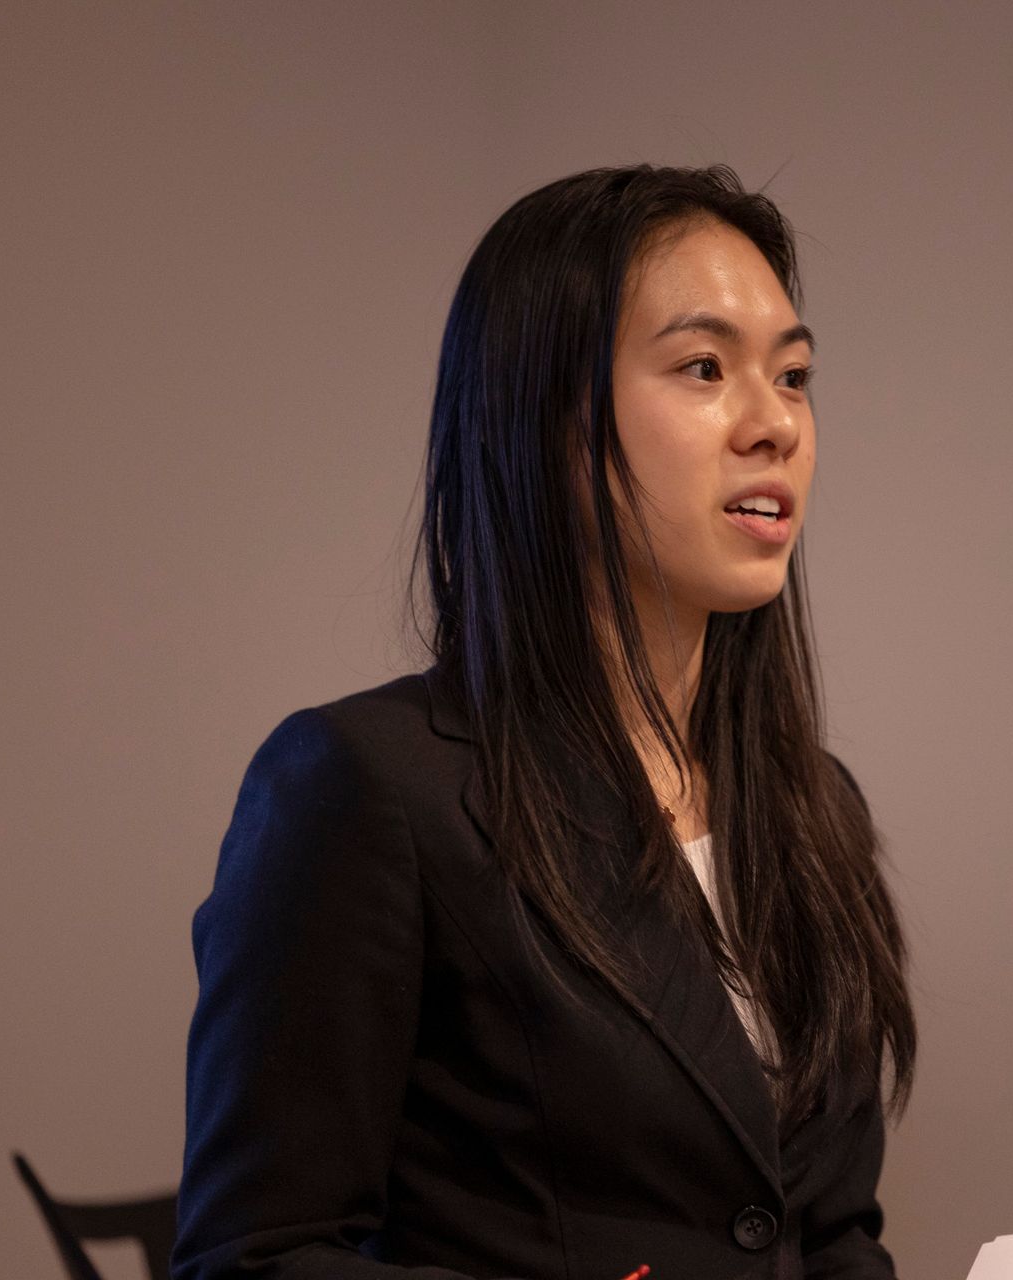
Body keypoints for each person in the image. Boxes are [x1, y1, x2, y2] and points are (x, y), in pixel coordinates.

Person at [171, 164, 917, 1280]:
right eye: (705, 367)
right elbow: (255, 1257)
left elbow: (835, 1236)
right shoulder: (366, 786)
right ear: (547, 416)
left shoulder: (818, 808)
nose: (775, 424)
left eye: (796, 375)